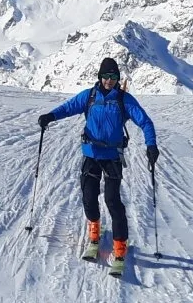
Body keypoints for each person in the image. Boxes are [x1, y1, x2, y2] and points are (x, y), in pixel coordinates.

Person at [38, 57, 159, 266]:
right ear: (100, 77)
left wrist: (151, 145)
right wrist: (50, 116)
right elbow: (68, 107)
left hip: (112, 157)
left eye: (113, 77)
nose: (109, 81)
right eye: (106, 76)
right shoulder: (90, 96)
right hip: (91, 154)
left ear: (118, 78)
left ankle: (120, 245)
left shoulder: (124, 100)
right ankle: (94, 231)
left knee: (113, 201)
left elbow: (145, 121)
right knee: (88, 197)